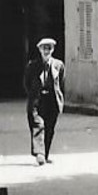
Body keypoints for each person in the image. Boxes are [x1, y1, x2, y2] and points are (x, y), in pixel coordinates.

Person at [23, 36, 66, 166]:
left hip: (52, 101)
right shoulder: (32, 66)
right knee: (38, 125)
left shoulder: (59, 65)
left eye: (49, 48)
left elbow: (61, 83)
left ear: (52, 50)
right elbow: (27, 83)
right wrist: (34, 94)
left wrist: (59, 98)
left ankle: (45, 154)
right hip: (37, 100)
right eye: (43, 48)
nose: (46, 51)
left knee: (49, 127)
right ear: (40, 50)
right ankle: (39, 153)